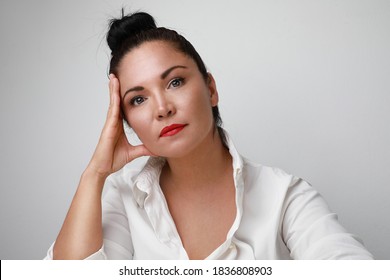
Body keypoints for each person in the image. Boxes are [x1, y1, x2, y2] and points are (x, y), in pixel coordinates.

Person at [45, 11, 373, 260]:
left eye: (175, 82)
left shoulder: (284, 194)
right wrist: (95, 173)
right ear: (125, 119)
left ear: (211, 89)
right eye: (138, 99)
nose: (161, 108)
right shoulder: (121, 197)